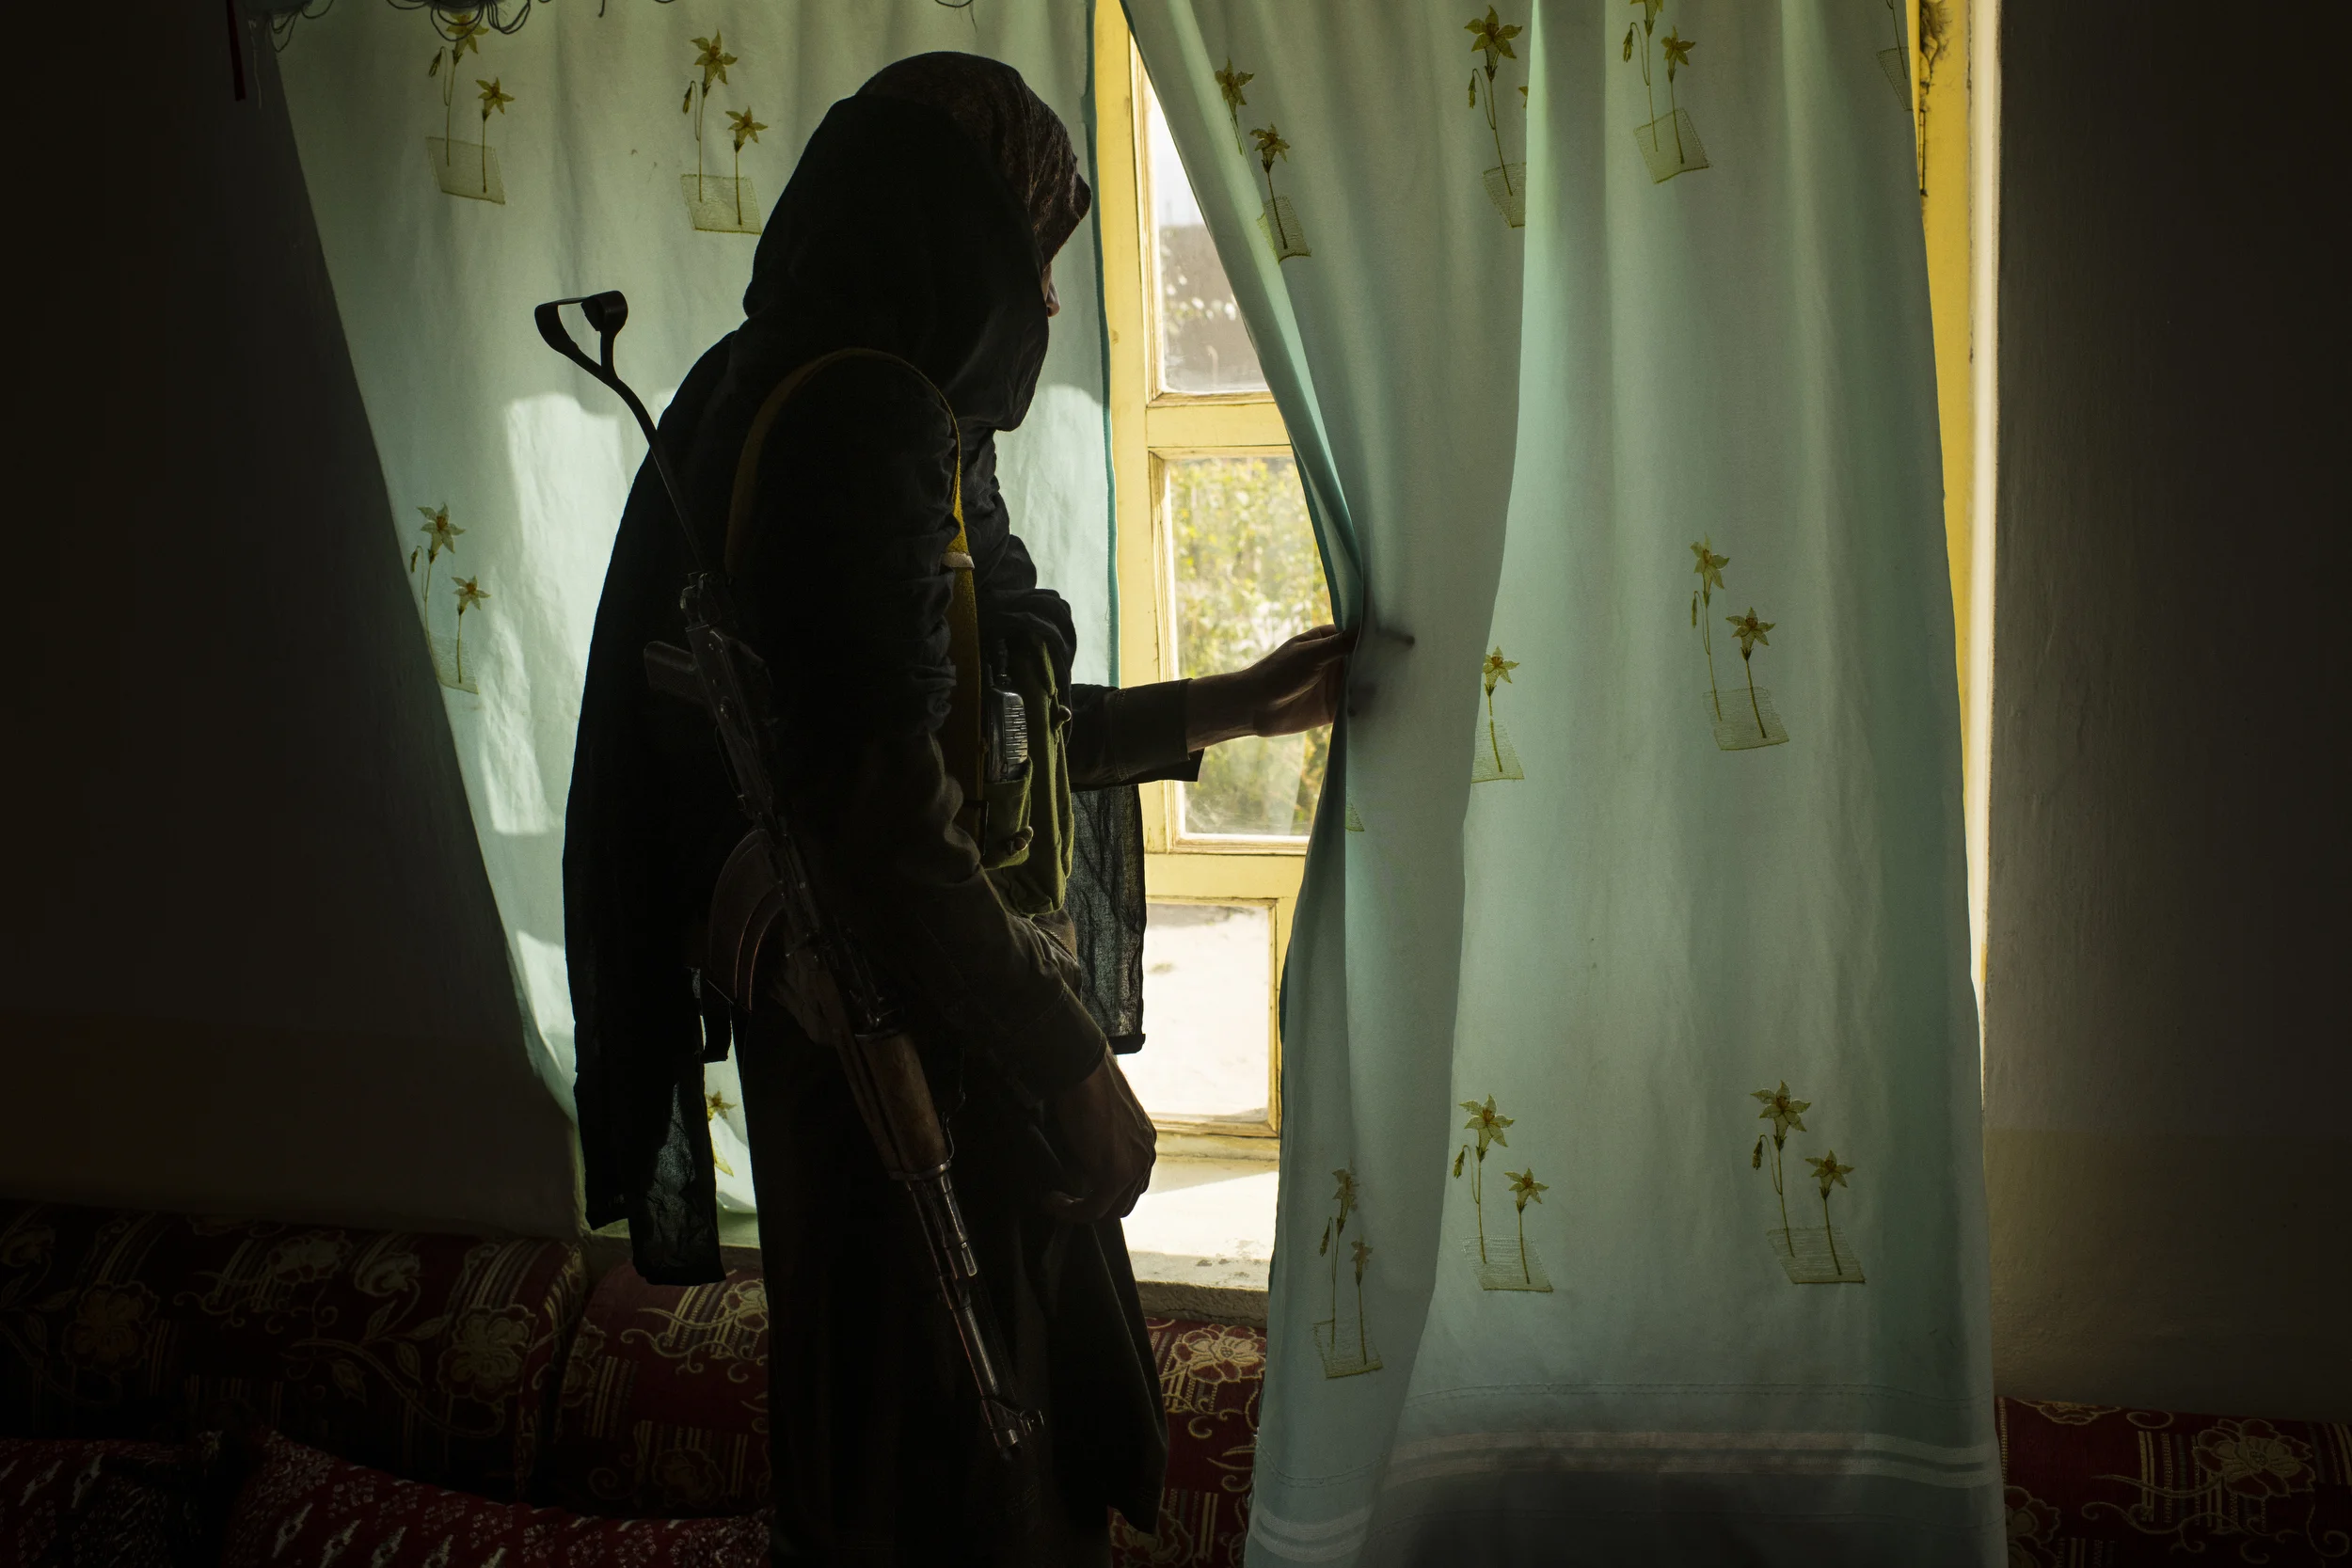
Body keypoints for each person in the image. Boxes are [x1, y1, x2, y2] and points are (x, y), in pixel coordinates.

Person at [564, 52, 1352, 1567]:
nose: (1049, 309)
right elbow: (882, 812)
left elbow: (980, 734)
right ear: (946, 238)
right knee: (955, 1498)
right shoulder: (856, 418)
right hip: (909, 1092)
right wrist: (1069, 1067)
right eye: (1030, 257)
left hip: (906, 1074)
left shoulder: (807, 396)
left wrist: (1230, 706)